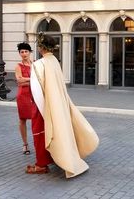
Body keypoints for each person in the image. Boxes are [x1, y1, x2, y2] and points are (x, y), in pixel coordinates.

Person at [30, 33, 99, 178]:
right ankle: (56, 157)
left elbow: (36, 91)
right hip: (58, 104)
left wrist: (45, 113)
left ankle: (41, 164)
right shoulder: (55, 61)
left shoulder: (38, 64)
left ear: (41, 47)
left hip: (43, 106)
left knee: (40, 134)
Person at [14, 42, 35, 155]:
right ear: (19, 53)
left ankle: (37, 142)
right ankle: (25, 144)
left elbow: (40, 78)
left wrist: (25, 79)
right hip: (23, 95)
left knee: (36, 119)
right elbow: (19, 81)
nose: (24, 54)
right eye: (22, 52)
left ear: (30, 52)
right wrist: (32, 79)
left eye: (26, 51)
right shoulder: (18, 66)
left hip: (34, 94)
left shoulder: (35, 64)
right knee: (23, 119)